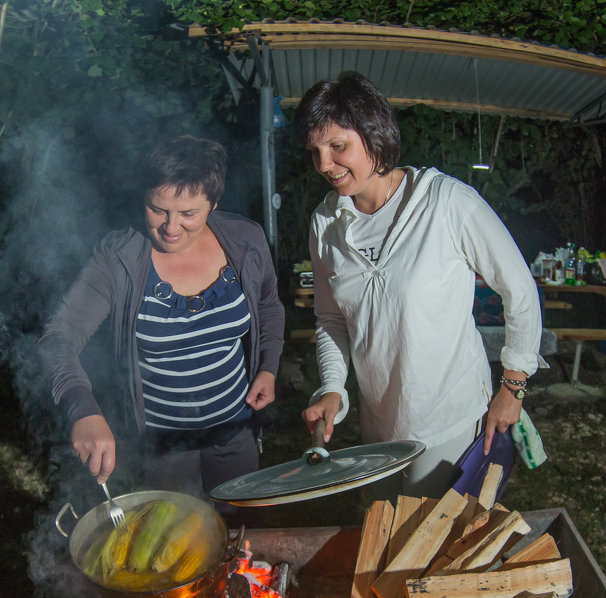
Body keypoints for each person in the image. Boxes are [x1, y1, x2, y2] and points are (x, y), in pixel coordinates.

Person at [297, 72, 545, 498]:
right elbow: (331, 318)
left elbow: (519, 288)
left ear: (375, 135)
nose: (324, 164)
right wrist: (334, 386)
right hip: (379, 427)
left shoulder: (446, 203)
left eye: (338, 146)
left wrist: (513, 386)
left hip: (450, 422)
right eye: (315, 151)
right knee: (388, 540)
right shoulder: (326, 223)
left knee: (439, 546)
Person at [39, 135, 284, 506]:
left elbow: (268, 304)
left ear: (213, 203)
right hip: (162, 447)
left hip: (235, 431)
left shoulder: (245, 241)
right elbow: (59, 336)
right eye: (157, 210)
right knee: (173, 545)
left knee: (240, 538)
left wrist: (267, 367)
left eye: (189, 214)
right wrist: (83, 410)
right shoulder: (118, 257)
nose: (171, 227)